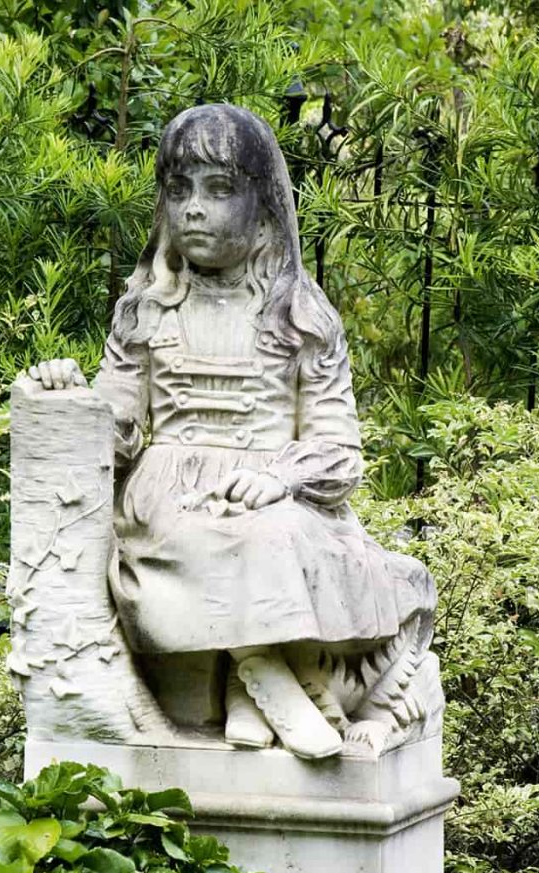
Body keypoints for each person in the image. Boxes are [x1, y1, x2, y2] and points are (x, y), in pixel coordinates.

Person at [30, 104, 436, 759]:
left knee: (282, 531)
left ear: (264, 204)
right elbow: (115, 423)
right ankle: (269, 674)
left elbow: (339, 448)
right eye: (179, 188)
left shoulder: (301, 316)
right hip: (172, 508)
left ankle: (262, 685)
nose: (194, 207)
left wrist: (279, 477)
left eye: (219, 189)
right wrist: (66, 394)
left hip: (279, 499)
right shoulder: (146, 308)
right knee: (235, 534)